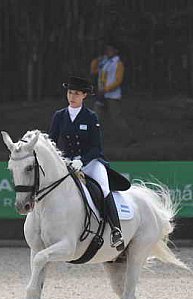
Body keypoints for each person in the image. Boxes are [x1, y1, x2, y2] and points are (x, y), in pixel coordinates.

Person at [48, 76, 125, 251]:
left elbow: (96, 147)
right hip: (66, 162)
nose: (72, 96)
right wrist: (61, 159)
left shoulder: (90, 117)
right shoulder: (59, 116)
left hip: (90, 162)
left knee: (104, 188)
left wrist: (81, 161)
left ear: (84, 96)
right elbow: (51, 142)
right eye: (69, 92)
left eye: (76, 93)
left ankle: (115, 230)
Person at [90, 42, 134, 144]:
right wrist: (97, 60)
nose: (107, 52)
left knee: (116, 117)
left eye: (110, 50)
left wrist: (106, 89)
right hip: (102, 95)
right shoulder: (104, 62)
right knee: (96, 117)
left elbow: (118, 80)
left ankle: (128, 138)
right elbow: (94, 71)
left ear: (115, 51)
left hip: (112, 96)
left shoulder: (118, 63)